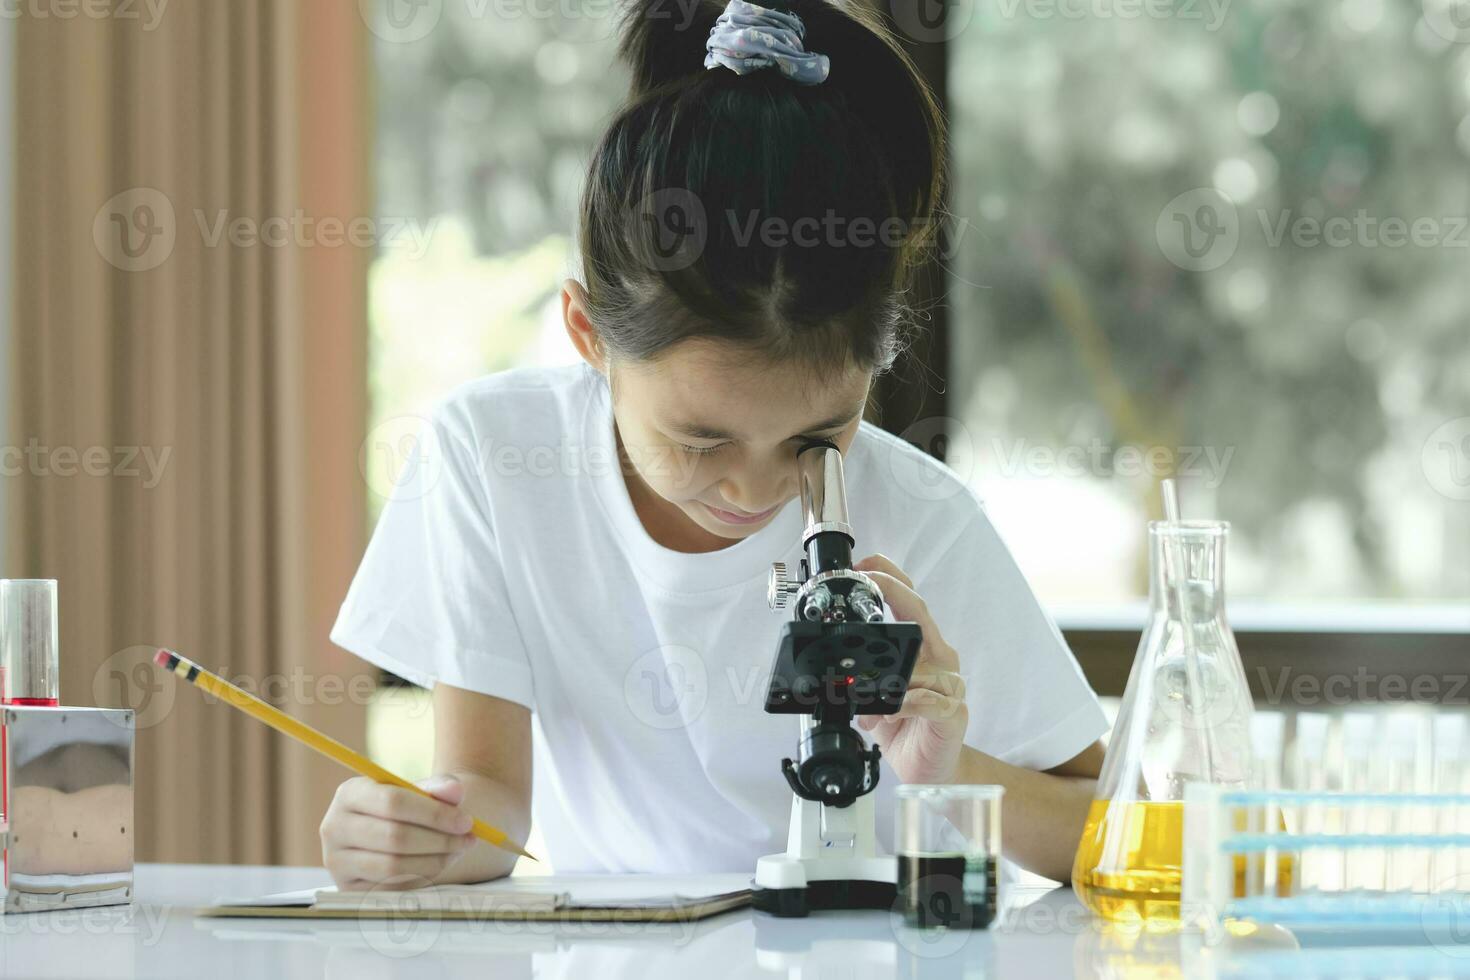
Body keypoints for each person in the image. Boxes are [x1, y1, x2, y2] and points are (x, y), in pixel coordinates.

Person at [321, 0, 1107, 891]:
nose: (756, 487)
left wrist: (951, 770)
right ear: (588, 334)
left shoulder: (921, 517)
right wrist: (416, 833)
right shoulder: (494, 456)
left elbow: (1131, 833)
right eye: (700, 437)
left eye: (817, 438)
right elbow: (491, 807)